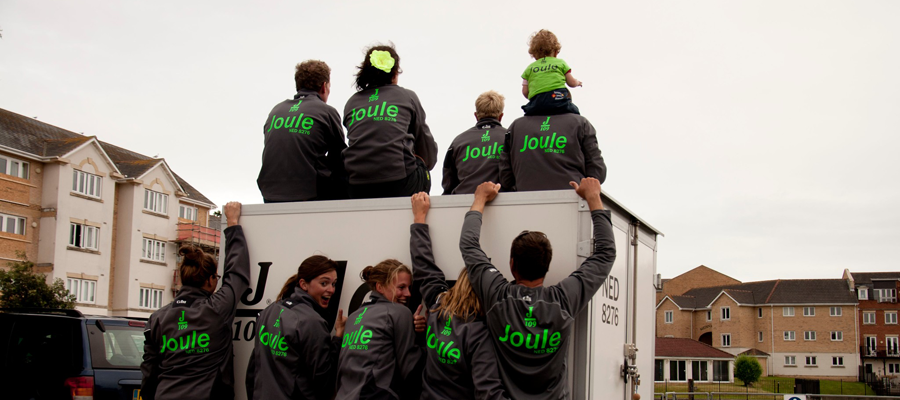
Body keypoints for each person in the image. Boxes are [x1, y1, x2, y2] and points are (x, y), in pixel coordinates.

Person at [459, 179, 616, 399]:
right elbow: (606, 254)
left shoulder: (497, 295)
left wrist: (479, 199)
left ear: (512, 265)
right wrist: (593, 198)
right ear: (546, 266)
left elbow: (468, 244)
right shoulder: (563, 301)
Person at [141, 202, 250, 400]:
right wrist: (233, 225)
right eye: (215, 278)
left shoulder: (157, 318)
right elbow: (237, 274)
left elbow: (149, 369)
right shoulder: (215, 309)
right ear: (210, 280)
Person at [409, 192, 509, 400]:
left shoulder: (438, 305)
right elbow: (488, 391)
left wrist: (419, 219)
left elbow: (423, 264)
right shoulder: (479, 334)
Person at [342, 44, 438, 199]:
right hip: (400, 183)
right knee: (422, 165)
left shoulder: (352, 102)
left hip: (356, 187)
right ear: (394, 73)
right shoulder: (407, 97)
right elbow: (427, 151)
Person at [245, 255, 348, 400]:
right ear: (304, 284)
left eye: (334, 284)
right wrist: (338, 337)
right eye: (324, 283)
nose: (331, 290)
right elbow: (324, 381)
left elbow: (253, 369)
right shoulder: (311, 322)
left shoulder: (269, 310)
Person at [257, 60, 348, 202]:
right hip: (309, 194)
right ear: (324, 87)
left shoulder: (276, 111)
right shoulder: (326, 111)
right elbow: (339, 157)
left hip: (269, 193)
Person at [335, 258, 425, 399]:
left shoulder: (353, 316)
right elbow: (411, 370)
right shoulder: (399, 312)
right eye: (401, 287)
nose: (408, 294)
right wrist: (422, 337)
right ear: (380, 287)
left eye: (409, 287)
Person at [498, 112, 606, 191]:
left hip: (524, 206)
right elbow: (597, 174)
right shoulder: (580, 123)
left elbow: (506, 178)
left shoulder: (516, 126)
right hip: (573, 205)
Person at [442, 91, 507, 195]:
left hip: (464, 203)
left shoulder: (458, 141)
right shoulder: (510, 138)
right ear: (501, 116)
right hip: (501, 202)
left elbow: (448, 182)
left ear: (476, 116)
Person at [520, 29, 582, 116]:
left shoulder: (529, 69)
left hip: (537, 103)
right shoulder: (560, 63)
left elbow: (525, 92)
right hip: (557, 99)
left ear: (534, 54)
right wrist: (577, 82)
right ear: (556, 52)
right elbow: (571, 83)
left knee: (528, 112)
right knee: (574, 111)